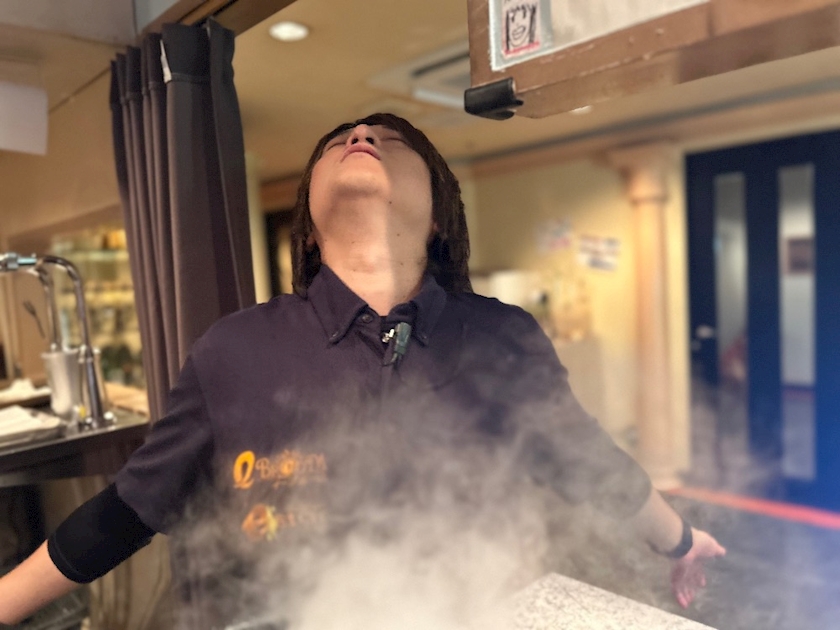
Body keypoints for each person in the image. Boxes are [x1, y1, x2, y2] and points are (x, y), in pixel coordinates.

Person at [0, 113, 725, 627]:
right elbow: (127, 511)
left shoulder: (502, 336)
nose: (360, 136)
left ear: (437, 216)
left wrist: (680, 540)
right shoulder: (233, 349)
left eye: (392, 140)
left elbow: (588, 459)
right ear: (310, 231)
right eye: (336, 143)